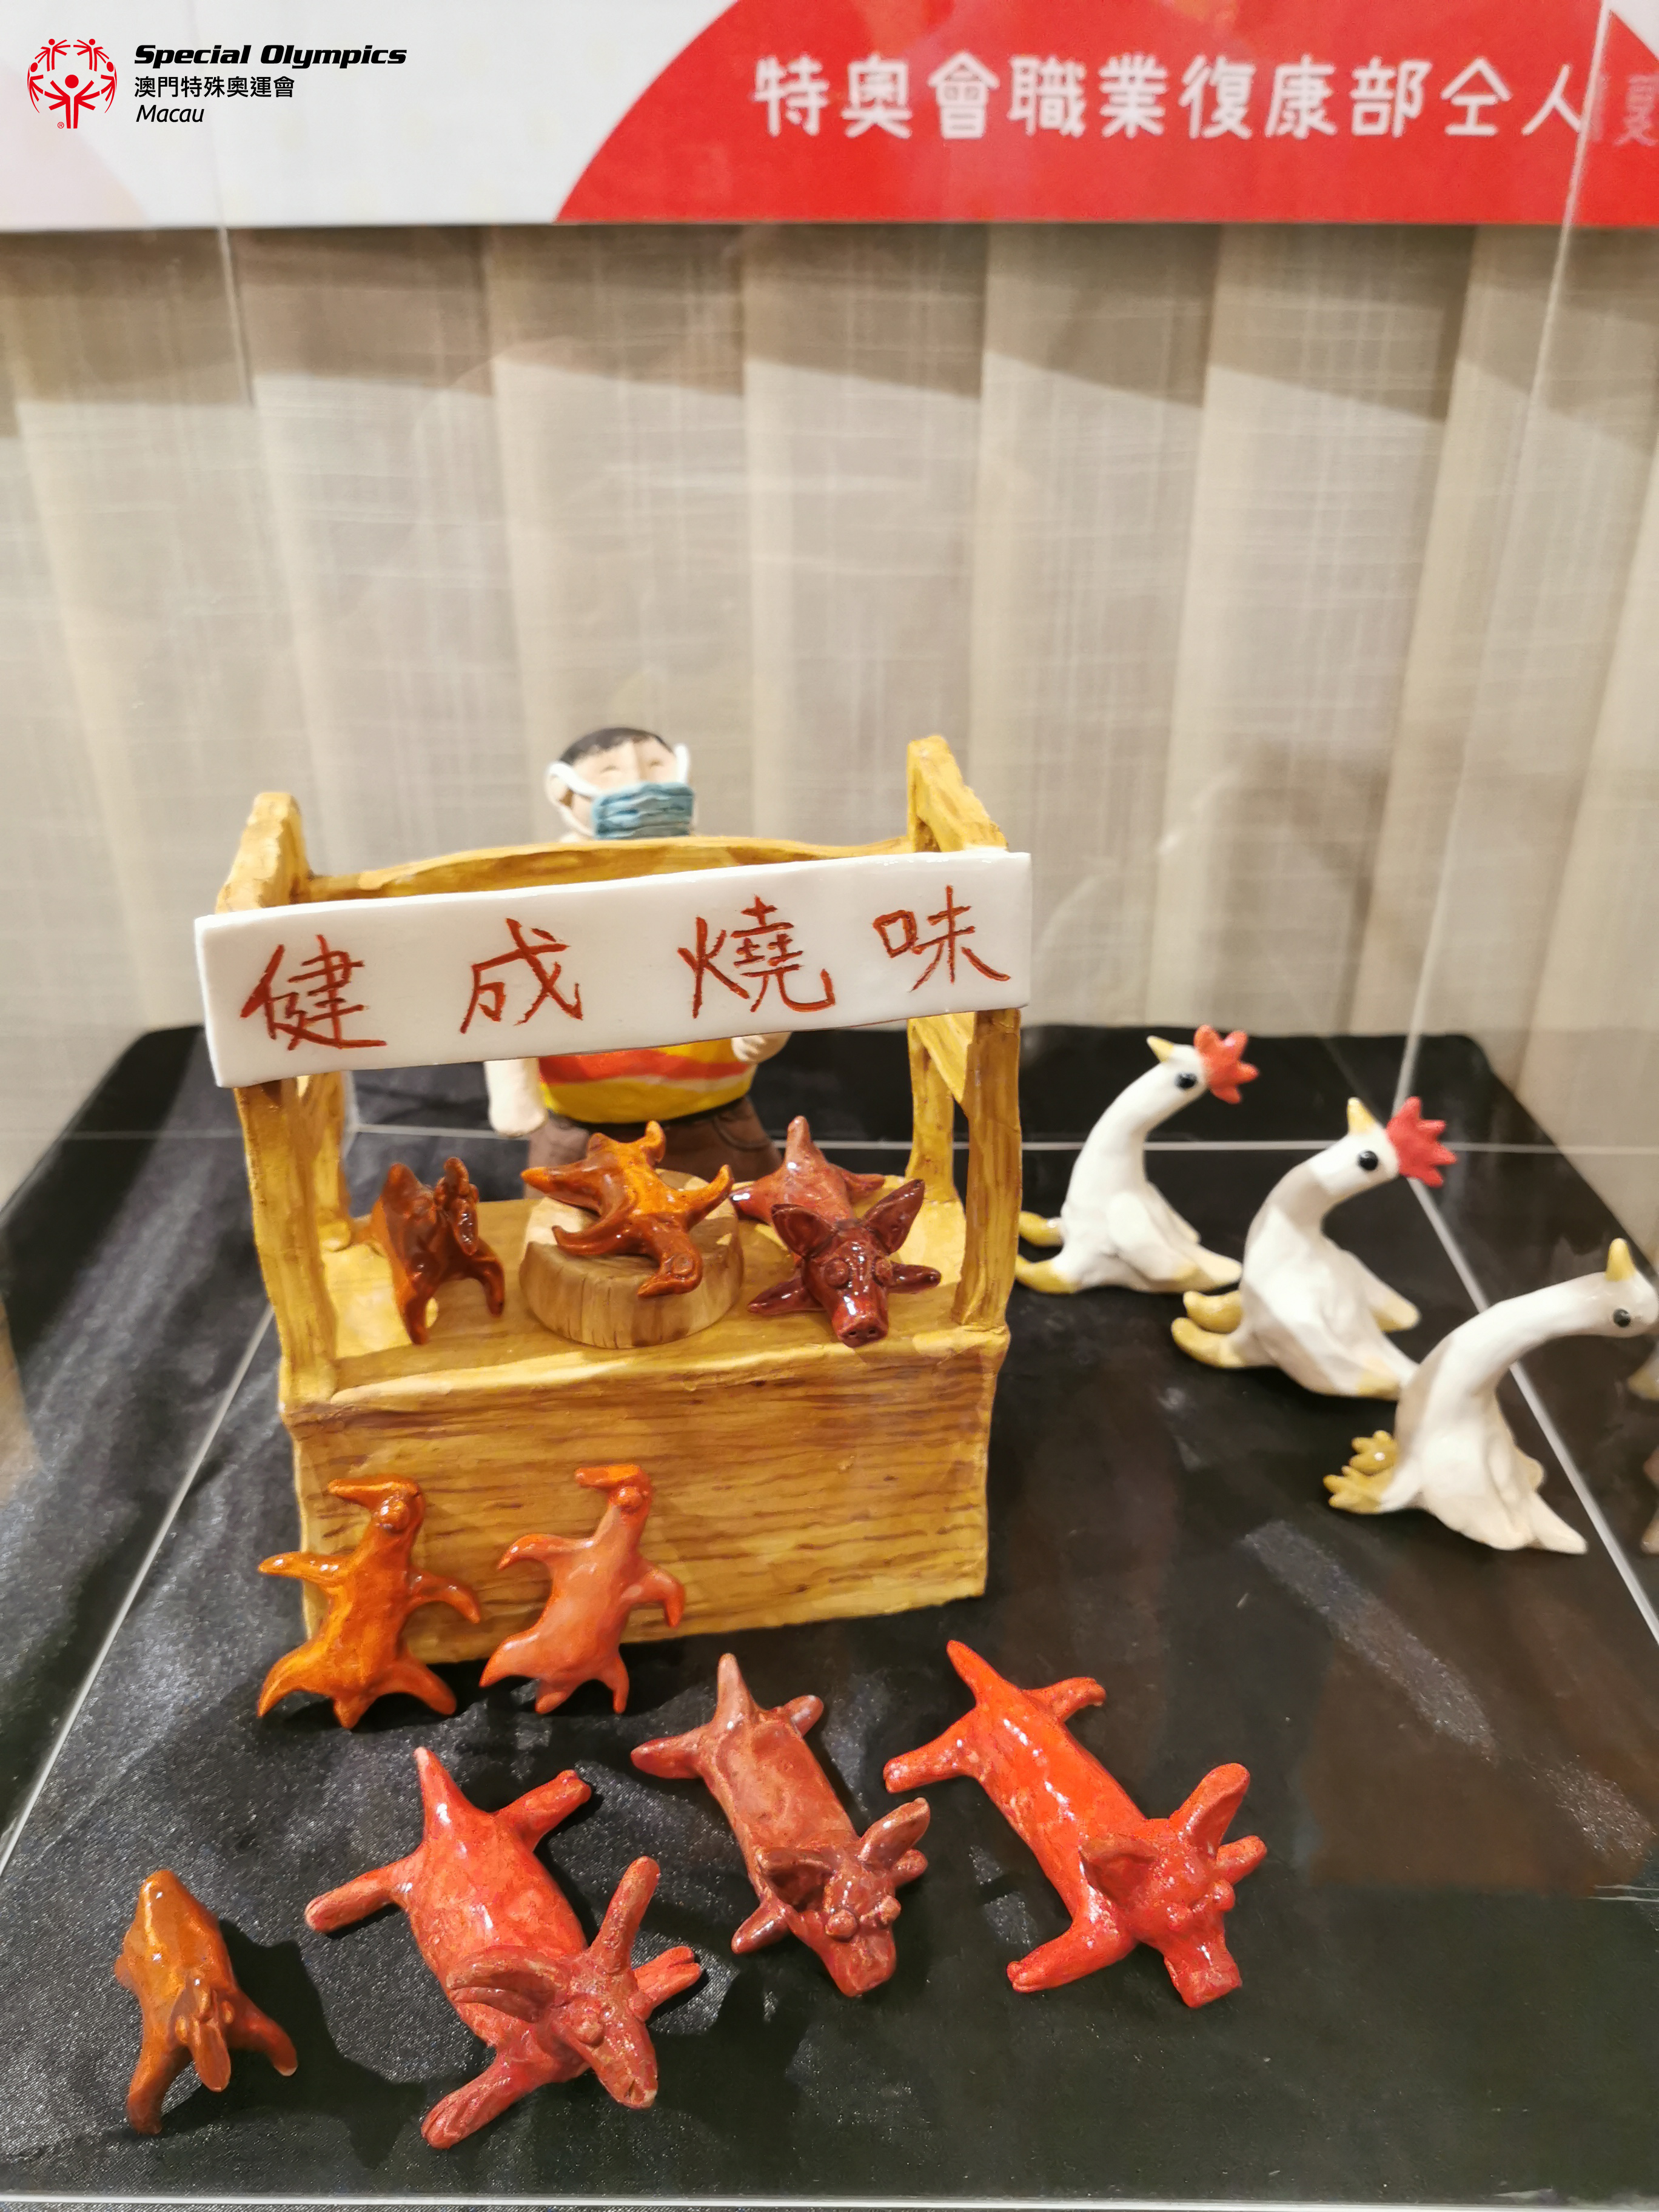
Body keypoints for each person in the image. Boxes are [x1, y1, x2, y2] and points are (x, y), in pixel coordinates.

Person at [483, 726, 786, 1182]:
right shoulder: (534, 886)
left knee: (739, 1224)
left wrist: (766, 1024)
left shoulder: (724, 870)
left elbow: (760, 950)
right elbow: (511, 983)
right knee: (567, 1228)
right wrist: (512, 1085)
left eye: (656, 766)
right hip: (581, 1130)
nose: (638, 783)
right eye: (609, 771)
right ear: (561, 789)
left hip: (712, 1119)